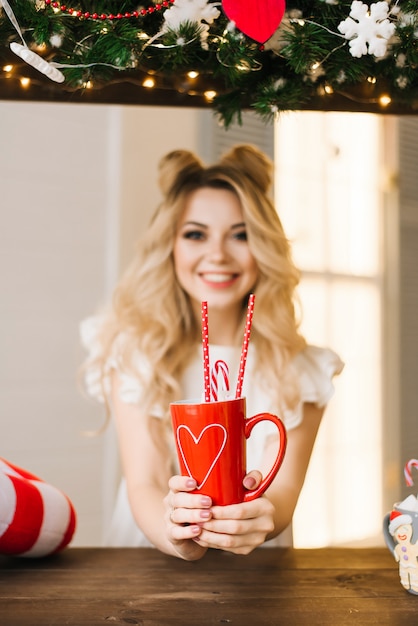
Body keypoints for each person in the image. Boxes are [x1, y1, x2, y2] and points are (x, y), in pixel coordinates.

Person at [80, 144, 343, 561]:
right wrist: (177, 537)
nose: (218, 254)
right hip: (144, 567)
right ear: (170, 246)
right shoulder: (135, 352)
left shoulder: (302, 369)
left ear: (264, 247)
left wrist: (258, 520)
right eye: (196, 234)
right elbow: (145, 481)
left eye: (241, 235)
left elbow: (284, 492)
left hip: (253, 579)